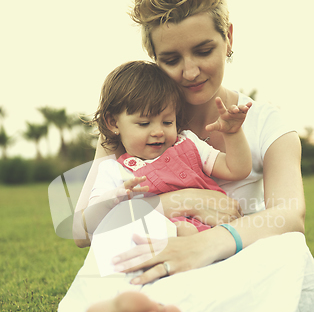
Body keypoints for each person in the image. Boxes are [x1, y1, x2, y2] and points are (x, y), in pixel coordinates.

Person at [54, 0, 314, 312]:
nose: (190, 70)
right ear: (154, 58)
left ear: (229, 37)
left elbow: (290, 215)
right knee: (115, 251)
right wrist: (169, 206)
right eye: (171, 59)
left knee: (289, 252)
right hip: (152, 252)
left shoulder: (268, 125)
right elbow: (80, 230)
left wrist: (208, 243)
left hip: (231, 260)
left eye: (204, 49)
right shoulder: (134, 127)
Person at [83, 60, 252, 237]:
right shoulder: (114, 171)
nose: (158, 132)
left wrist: (233, 134)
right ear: (112, 122)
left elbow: (236, 169)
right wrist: (110, 200)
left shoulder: (188, 143)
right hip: (159, 246)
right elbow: (89, 223)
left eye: (167, 122)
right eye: (144, 123)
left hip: (218, 234)